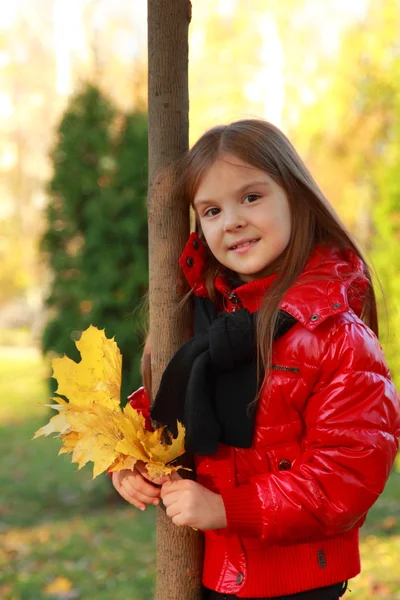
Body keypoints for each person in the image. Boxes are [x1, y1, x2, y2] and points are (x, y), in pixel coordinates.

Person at [111, 119, 400, 600]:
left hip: (301, 584)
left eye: (251, 197)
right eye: (211, 210)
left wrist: (228, 509)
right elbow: (164, 402)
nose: (233, 220)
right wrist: (127, 461)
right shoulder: (208, 316)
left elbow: (346, 477)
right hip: (214, 575)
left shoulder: (333, 333)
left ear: (296, 198)